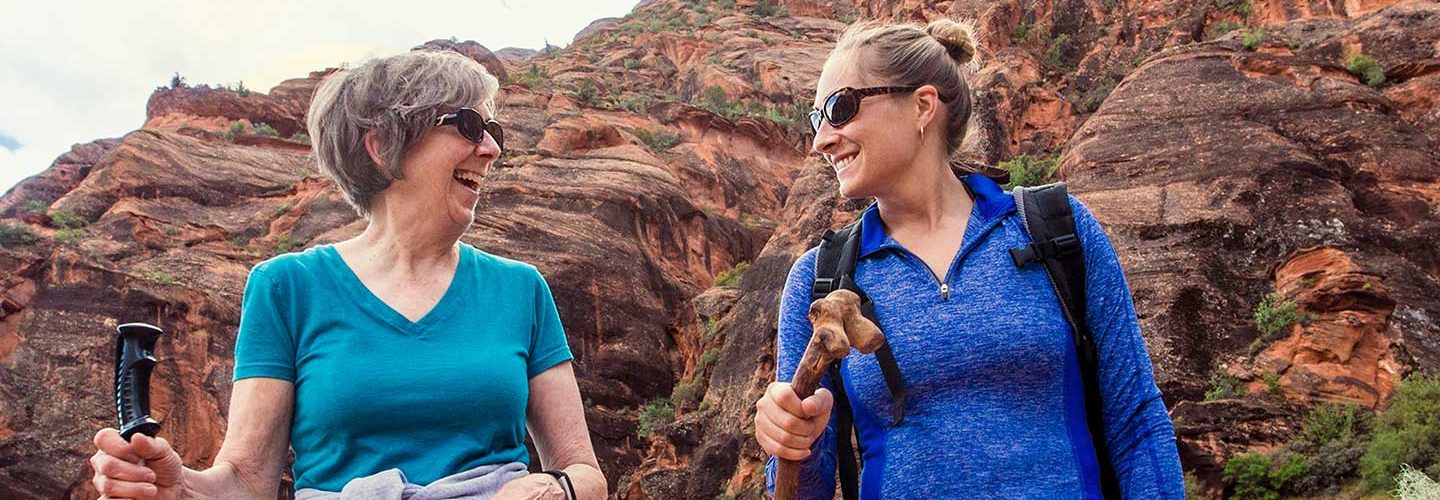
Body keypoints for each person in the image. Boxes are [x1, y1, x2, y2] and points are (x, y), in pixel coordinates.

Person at [87, 49, 605, 499]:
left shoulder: (521, 289)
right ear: (382, 147)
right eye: (469, 125)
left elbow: (585, 473)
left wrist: (549, 489)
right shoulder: (286, 288)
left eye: (493, 131)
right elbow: (247, 481)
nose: (491, 148)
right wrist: (181, 489)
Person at [753, 19, 1185, 498]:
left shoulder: (1057, 229)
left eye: (841, 108)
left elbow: (1137, 423)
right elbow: (802, 491)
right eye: (817, 120)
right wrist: (792, 442)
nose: (822, 140)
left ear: (922, 105)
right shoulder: (820, 278)